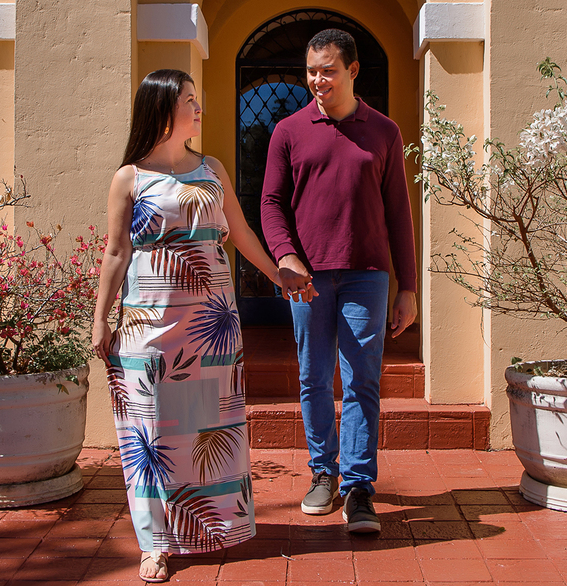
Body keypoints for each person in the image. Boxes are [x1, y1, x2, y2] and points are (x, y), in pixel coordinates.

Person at [92, 69, 281, 582]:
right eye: (189, 101)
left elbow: (239, 233)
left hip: (211, 326)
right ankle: (154, 543)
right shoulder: (129, 178)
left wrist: (277, 273)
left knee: (207, 428)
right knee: (151, 431)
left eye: (198, 100)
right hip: (146, 327)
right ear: (162, 108)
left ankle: (218, 526)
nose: (198, 109)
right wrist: (99, 320)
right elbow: (115, 253)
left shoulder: (212, 168)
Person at [260, 28, 417, 534]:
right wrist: (285, 256)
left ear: (352, 70)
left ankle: (358, 488)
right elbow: (270, 204)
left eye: (327, 70)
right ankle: (323, 473)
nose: (317, 80)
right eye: (311, 70)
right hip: (306, 278)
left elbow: (399, 213)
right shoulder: (288, 130)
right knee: (312, 376)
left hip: (367, 276)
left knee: (362, 380)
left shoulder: (384, 131)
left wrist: (407, 287)